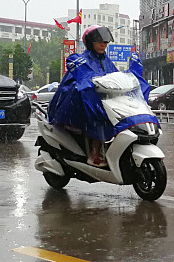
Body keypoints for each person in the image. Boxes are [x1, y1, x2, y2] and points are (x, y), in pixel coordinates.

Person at [47, 25, 151, 168]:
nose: (103, 45)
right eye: (99, 42)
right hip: (78, 104)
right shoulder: (82, 60)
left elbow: (115, 77)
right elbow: (76, 83)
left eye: (105, 43)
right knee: (100, 119)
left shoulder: (106, 61)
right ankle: (94, 154)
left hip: (104, 100)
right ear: (90, 43)